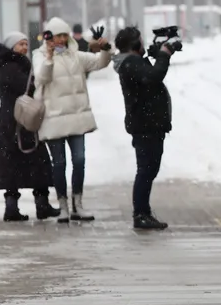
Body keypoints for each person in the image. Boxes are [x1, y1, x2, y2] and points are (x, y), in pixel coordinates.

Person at [33, 16, 113, 223]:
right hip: (53, 119)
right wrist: (49, 58)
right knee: (59, 164)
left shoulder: (75, 56)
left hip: (76, 118)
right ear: (49, 37)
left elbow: (99, 63)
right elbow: (41, 78)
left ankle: (78, 203)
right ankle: (63, 206)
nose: (61, 40)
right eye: (57, 36)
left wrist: (106, 48)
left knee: (79, 160)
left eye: (64, 36)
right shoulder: (39, 56)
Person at [0, 32, 58, 222]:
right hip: (17, 123)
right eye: (20, 44)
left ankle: (16, 207)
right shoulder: (12, 67)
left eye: (26, 44)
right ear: (12, 47)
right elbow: (27, 88)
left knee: (14, 165)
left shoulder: (10, 65)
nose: (24, 48)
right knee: (37, 160)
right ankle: (37, 205)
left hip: (13, 122)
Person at [114, 26, 175, 230]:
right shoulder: (130, 63)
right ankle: (140, 214)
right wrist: (164, 55)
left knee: (148, 169)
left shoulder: (133, 62)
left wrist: (157, 55)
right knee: (146, 170)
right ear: (135, 44)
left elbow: (148, 75)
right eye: (140, 40)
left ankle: (143, 212)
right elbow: (153, 77)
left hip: (148, 124)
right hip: (145, 125)